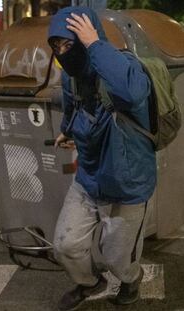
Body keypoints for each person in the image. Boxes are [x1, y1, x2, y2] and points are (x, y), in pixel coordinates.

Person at [48, 7, 156, 311]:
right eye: (57, 46)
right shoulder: (72, 77)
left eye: (69, 44)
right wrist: (66, 130)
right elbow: (71, 105)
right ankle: (89, 283)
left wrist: (95, 43)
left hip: (127, 181)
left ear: (87, 38)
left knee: (117, 258)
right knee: (66, 245)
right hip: (90, 176)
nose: (62, 52)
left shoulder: (123, 65)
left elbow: (133, 94)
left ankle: (131, 279)